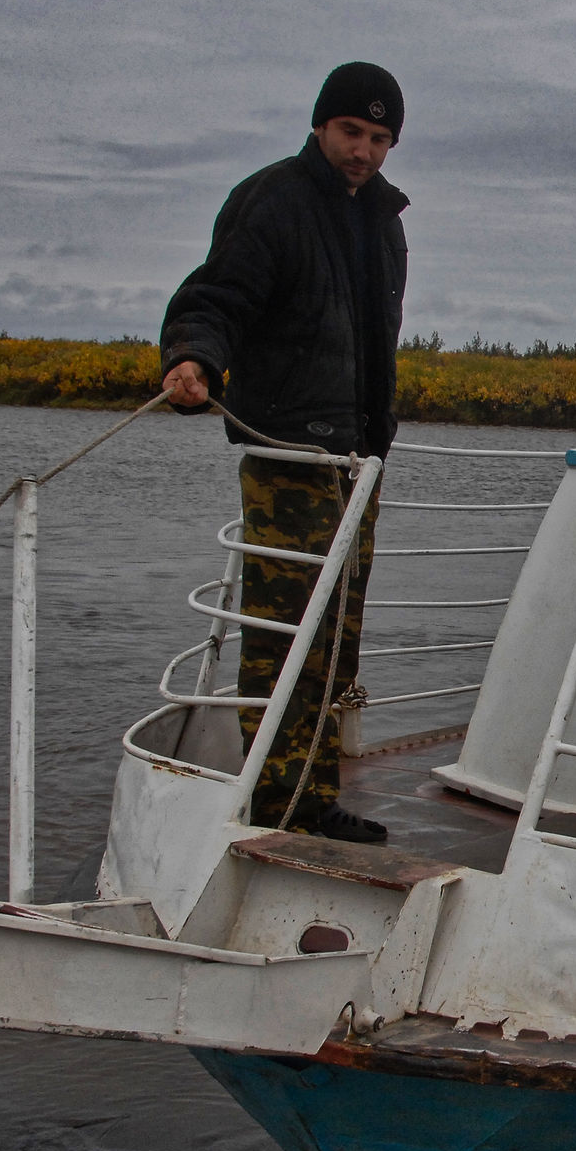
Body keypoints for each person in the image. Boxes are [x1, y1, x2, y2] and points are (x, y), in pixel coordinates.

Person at [158, 62, 409, 843]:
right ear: (319, 126)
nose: (363, 151)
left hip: (356, 465)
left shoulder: (385, 222)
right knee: (285, 637)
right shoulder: (272, 202)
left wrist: (372, 446)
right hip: (288, 458)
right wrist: (195, 356)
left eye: (378, 138)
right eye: (350, 132)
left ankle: (313, 794)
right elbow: (217, 295)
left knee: (337, 641)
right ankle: (276, 806)